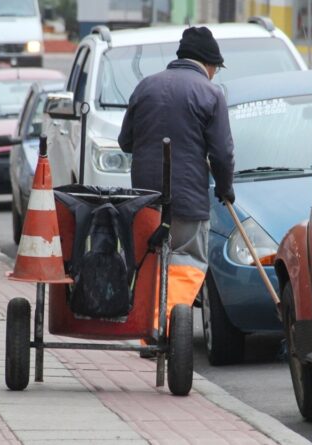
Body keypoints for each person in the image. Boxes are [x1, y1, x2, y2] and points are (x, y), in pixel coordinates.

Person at [118, 26, 235, 355]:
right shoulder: (210, 94)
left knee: (152, 261)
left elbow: (125, 142)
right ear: (209, 65)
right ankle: (163, 327)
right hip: (187, 200)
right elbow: (222, 154)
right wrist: (225, 188)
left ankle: (149, 331)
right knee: (188, 260)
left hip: (145, 203)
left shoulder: (145, 87)